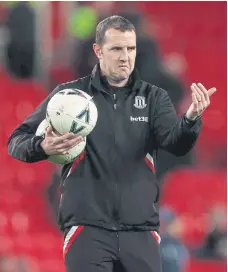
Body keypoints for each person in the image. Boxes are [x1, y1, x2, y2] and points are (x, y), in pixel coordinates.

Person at [8, 15, 216, 272]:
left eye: (130, 48)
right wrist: (42, 146)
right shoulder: (68, 97)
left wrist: (190, 120)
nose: (125, 56)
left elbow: (175, 143)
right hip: (88, 230)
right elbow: (16, 141)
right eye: (116, 48)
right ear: (98, 50)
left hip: (140, 230)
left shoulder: (153, 98)